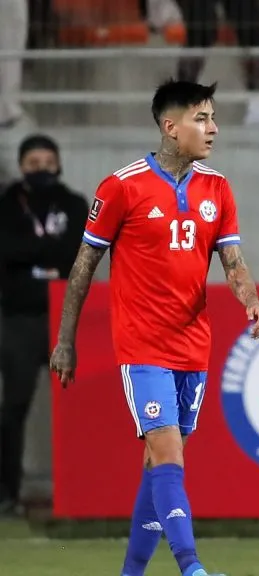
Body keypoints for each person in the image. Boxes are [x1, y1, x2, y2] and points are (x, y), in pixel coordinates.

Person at [49, 80, 259, 576]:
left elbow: (232, 260)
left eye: (213, 118)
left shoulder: (217, 187)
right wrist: (65, 340)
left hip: (195, 345)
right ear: (171, 127)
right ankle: (192, 567)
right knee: (167, 450)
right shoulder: (121, 186)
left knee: (158, 465)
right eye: (202, 118)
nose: (213, 128)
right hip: (143, 344)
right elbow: (84, 264)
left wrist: (251, 301)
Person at [0, 134, 87, 513]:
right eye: (33, 163)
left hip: (66, 319)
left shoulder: (74, 203)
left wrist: (33, 258)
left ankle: (85, 494)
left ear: (59, 162)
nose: (41, 169)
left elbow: (78, 252)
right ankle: (7, 495)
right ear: (21, 166)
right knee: (14, 406)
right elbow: (7, 251)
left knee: (81, 410)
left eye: (47, 161)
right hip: (19, 319)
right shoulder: (6, 205)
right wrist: (49, 257)